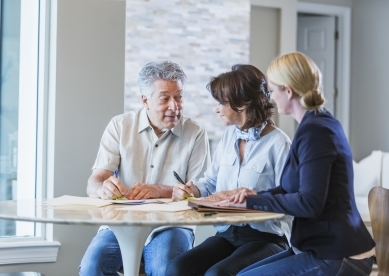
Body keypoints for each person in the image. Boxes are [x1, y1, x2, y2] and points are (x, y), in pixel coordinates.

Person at [222, 52, 376, 276]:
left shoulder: (316, 132)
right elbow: (291, 190)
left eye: (273, 90)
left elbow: (309, 202)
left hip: (339, 254)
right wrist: (253, 196)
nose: (271, 98)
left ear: (288, 90)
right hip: (322, 247)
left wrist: (254, 202)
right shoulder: (314, 124)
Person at [79, 61, 211, 276]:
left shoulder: (196, 133)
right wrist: (103, 189)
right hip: (122, 221)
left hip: (172, 224)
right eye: (165, 98)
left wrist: (162, 190)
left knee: (163, 269)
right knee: (92, 267)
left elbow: (202, 189)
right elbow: (95, 180)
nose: (174, 106)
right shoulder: (120, 126)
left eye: (178, 97)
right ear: (145, 100)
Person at [166, 64, 293, 276]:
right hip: (227, 234)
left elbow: (290, 200)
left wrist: (255, 199)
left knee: (217, 274)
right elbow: (213, 182)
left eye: (222, 103)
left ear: (243, 104)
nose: (217, 109)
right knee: (177, 268)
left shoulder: (279, 144)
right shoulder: (228, 137)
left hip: (266, 238)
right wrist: (193, 190)